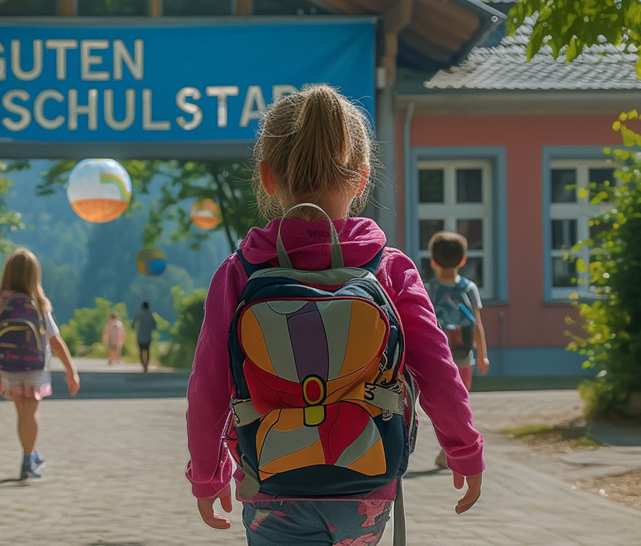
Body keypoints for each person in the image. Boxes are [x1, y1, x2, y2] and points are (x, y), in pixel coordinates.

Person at [185, 85, 484, 545]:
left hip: (272, 482)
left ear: (266, 177)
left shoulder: (240, 272)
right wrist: (464, 451)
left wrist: (207, 475)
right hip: (365, 481)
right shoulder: (389, 268)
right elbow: (439, 371)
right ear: (362, 178)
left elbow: (208, 385)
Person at [0, 248, 81, 479]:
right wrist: (71, 371)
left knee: (22, 413)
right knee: (31, 413)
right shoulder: (38, 302)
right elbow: (54, 340)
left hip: (8, 366)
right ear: (33, 275)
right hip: (34, 366)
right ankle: (29, 460)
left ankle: (30, 454)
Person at [424, 230, 490, 470]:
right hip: (463, 358)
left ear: (432, 260)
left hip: (437, 361)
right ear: (463, 260)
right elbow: (477, 324)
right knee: (460, 405)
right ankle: (451, 451)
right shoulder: (469, 288)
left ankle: (447, 449)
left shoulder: (427, 289)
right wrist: (482, 355)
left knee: (441, 405)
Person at [132, 301, 157, 373]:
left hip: (140, 336)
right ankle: (146, 365)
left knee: (140, 351)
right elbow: (154, 326)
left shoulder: (140, 314)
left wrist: (134, 327)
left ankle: (143, 365)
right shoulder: (151, 315)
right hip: (148, 336)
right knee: (147, 350)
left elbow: (133, 322)